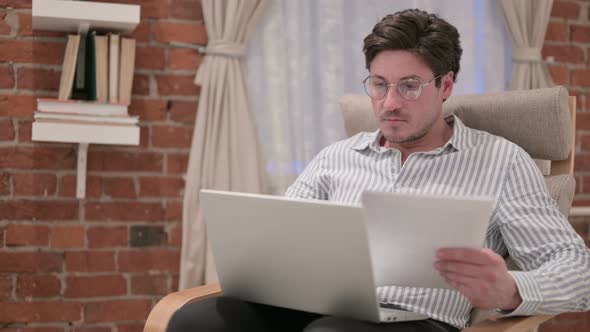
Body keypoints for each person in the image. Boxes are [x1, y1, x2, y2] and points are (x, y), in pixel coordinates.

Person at [167, 8, 590, 332]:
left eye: (409, 85)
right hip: (317, 308)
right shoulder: (336, 156)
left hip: (416, 320)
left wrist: (512, 290)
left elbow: (577, 270)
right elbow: (280, 242)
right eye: (379, 83)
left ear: (445, 85)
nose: (389, 103)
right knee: (195, 321)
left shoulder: (501, 160)